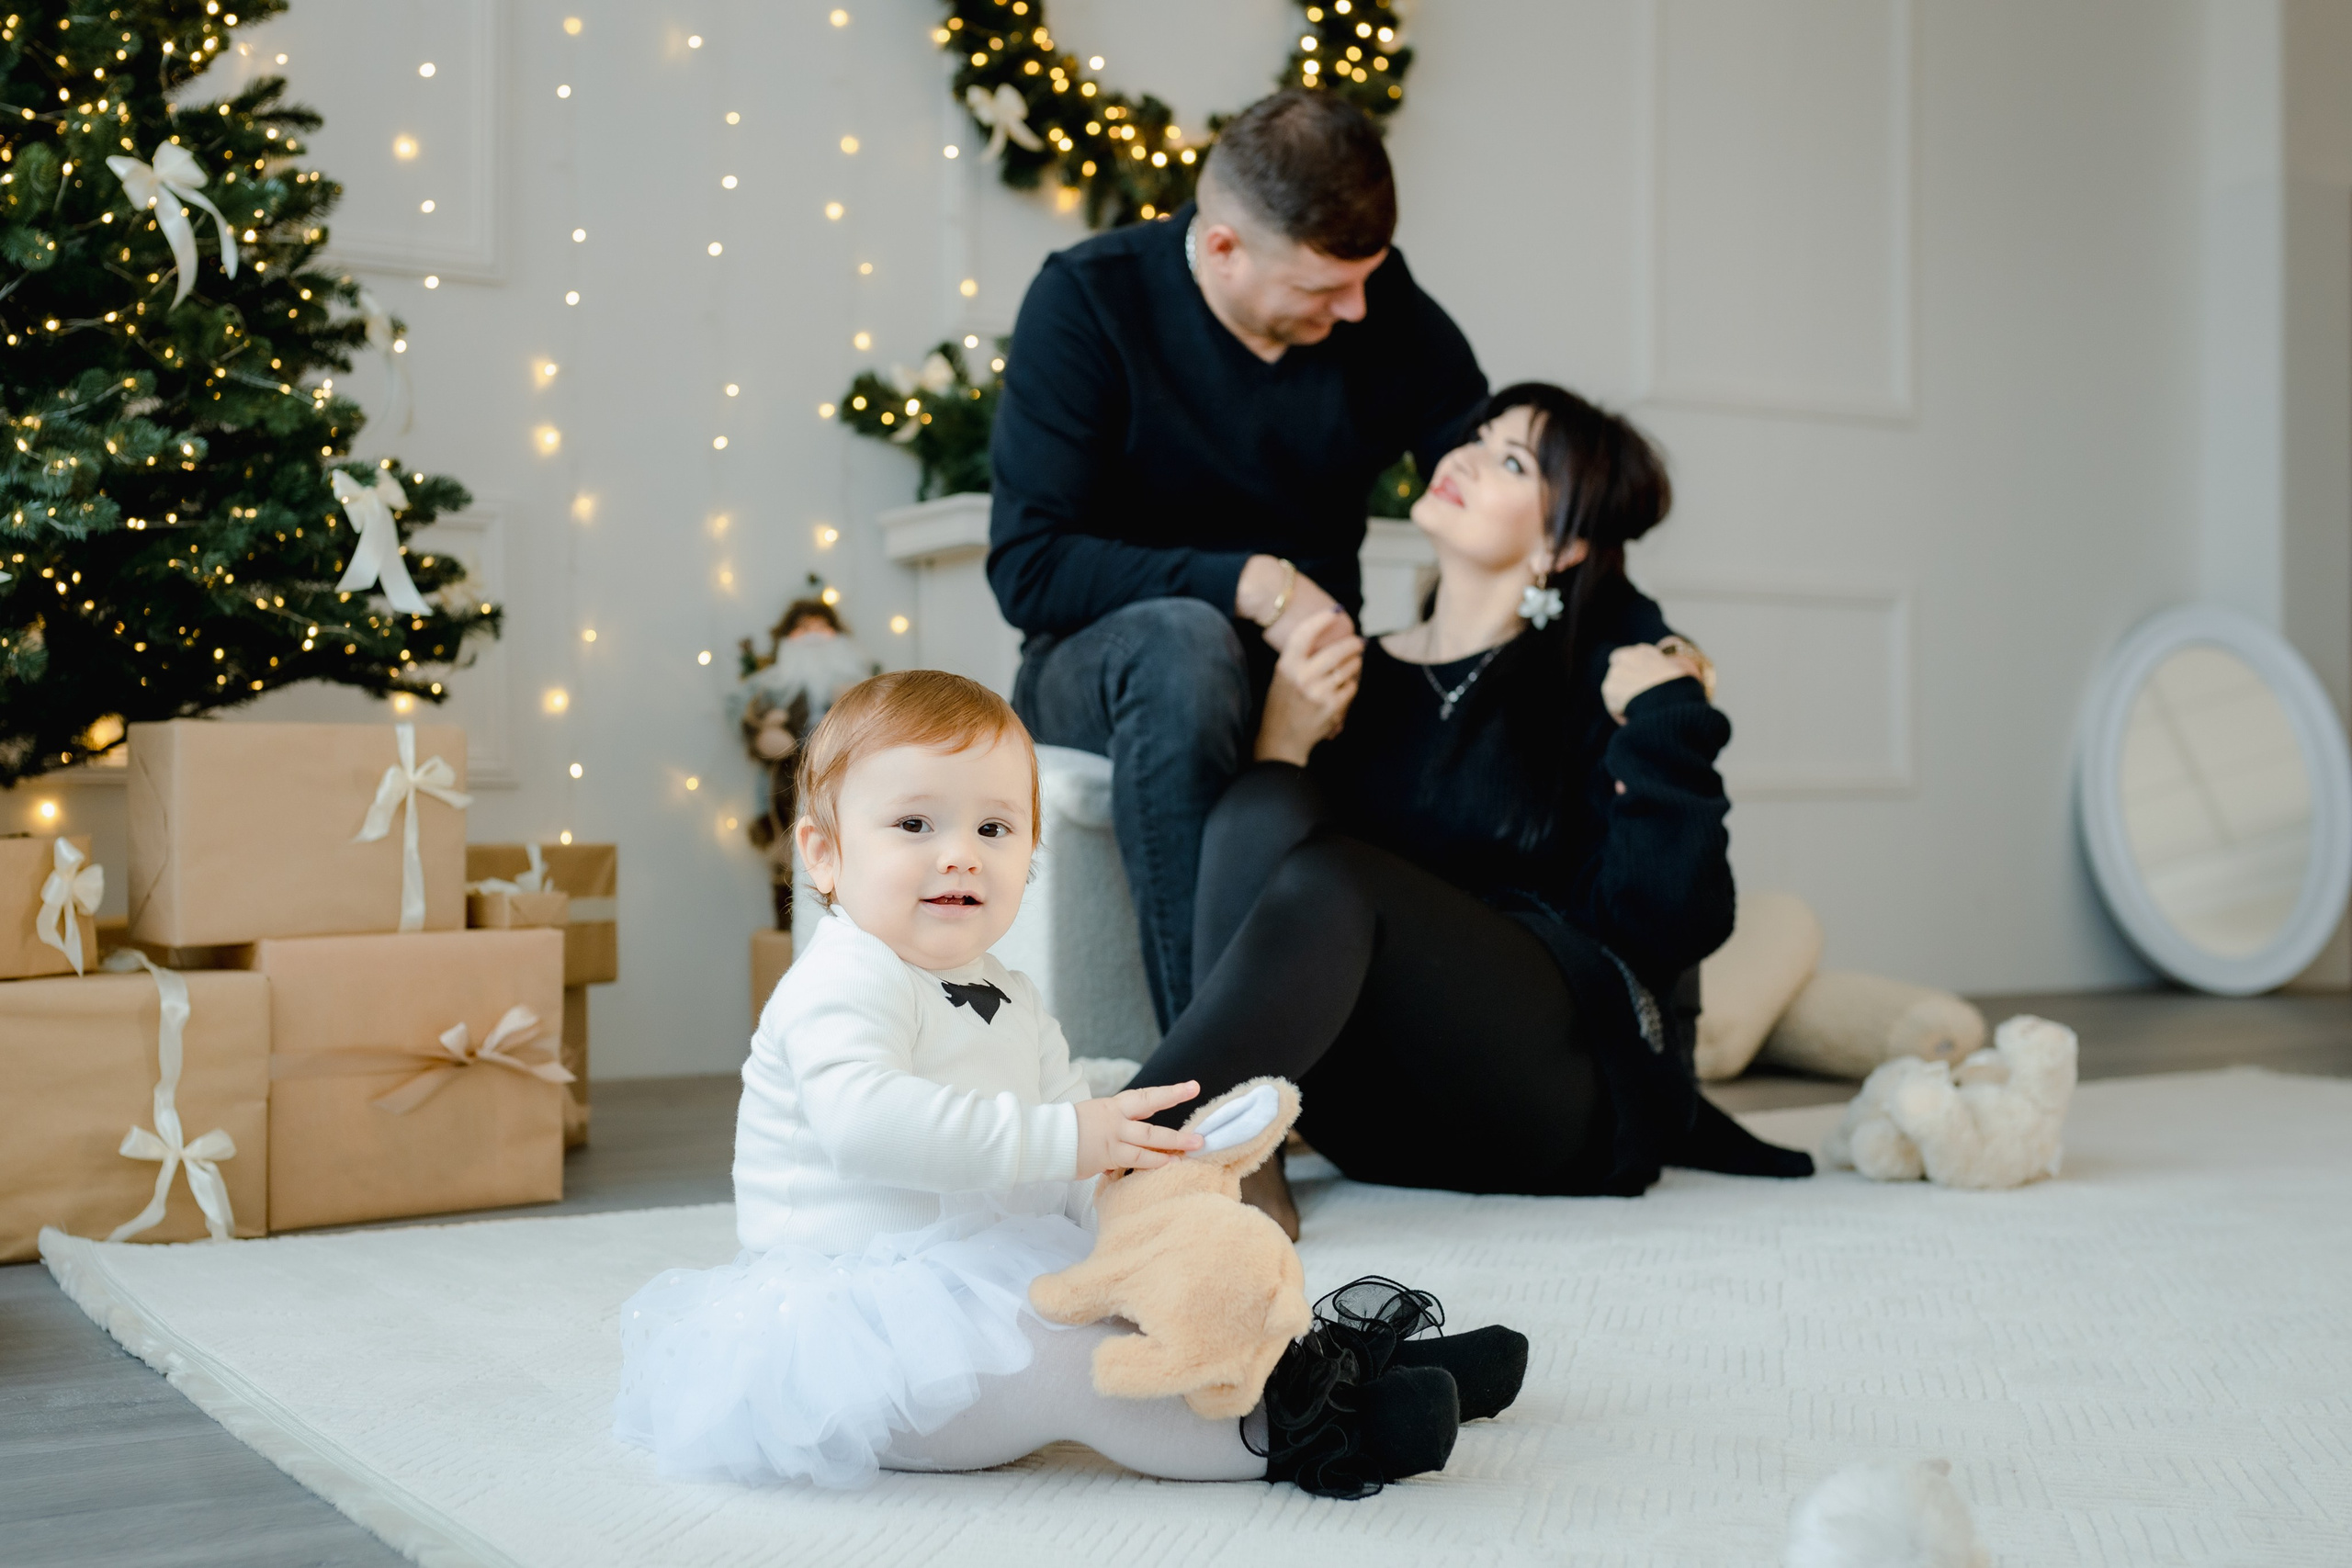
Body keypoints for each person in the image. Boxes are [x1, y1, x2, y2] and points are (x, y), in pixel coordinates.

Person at [613, 671, 1525, 1496]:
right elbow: (871, 1126)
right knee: (1080, 1366)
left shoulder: (1007, 991)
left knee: (1171, 1277)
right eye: (915, 824)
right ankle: (1302, 1432)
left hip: (987, 1274)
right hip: (874, 1344)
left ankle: (1327, 1358)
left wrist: (1134, 1157)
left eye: (994, 828)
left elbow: (1064, 1134)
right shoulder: (837, 981)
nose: (962, 853)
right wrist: (1067, 1137)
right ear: (822, 855)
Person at [1118, 385, 1814, 1219]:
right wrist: (1284, 740)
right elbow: (1265, 892)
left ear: (1560, 544)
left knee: (1341, 879)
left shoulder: (1607, 675)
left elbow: (1674, 922)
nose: (1465, 458)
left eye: (1511, 461)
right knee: (1263, 798)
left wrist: (1668, 727)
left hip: (1564, 1103)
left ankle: (1117, 1160)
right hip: (1379, 1116)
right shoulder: (1351, 677)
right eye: (1477, 438)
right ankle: (1219, 1148)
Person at [989, 88, 1487, 1029]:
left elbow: (1498, 469)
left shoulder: (1375, 302)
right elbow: (1030, 570)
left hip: (1308, 669)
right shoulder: (1090, 301)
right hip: (1105, 666)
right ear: (1222, 248)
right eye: (1320, 289)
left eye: (1368, 278)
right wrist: (1250, 582)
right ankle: (1210, 1084)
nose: (1355, 309)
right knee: (1187, 645)